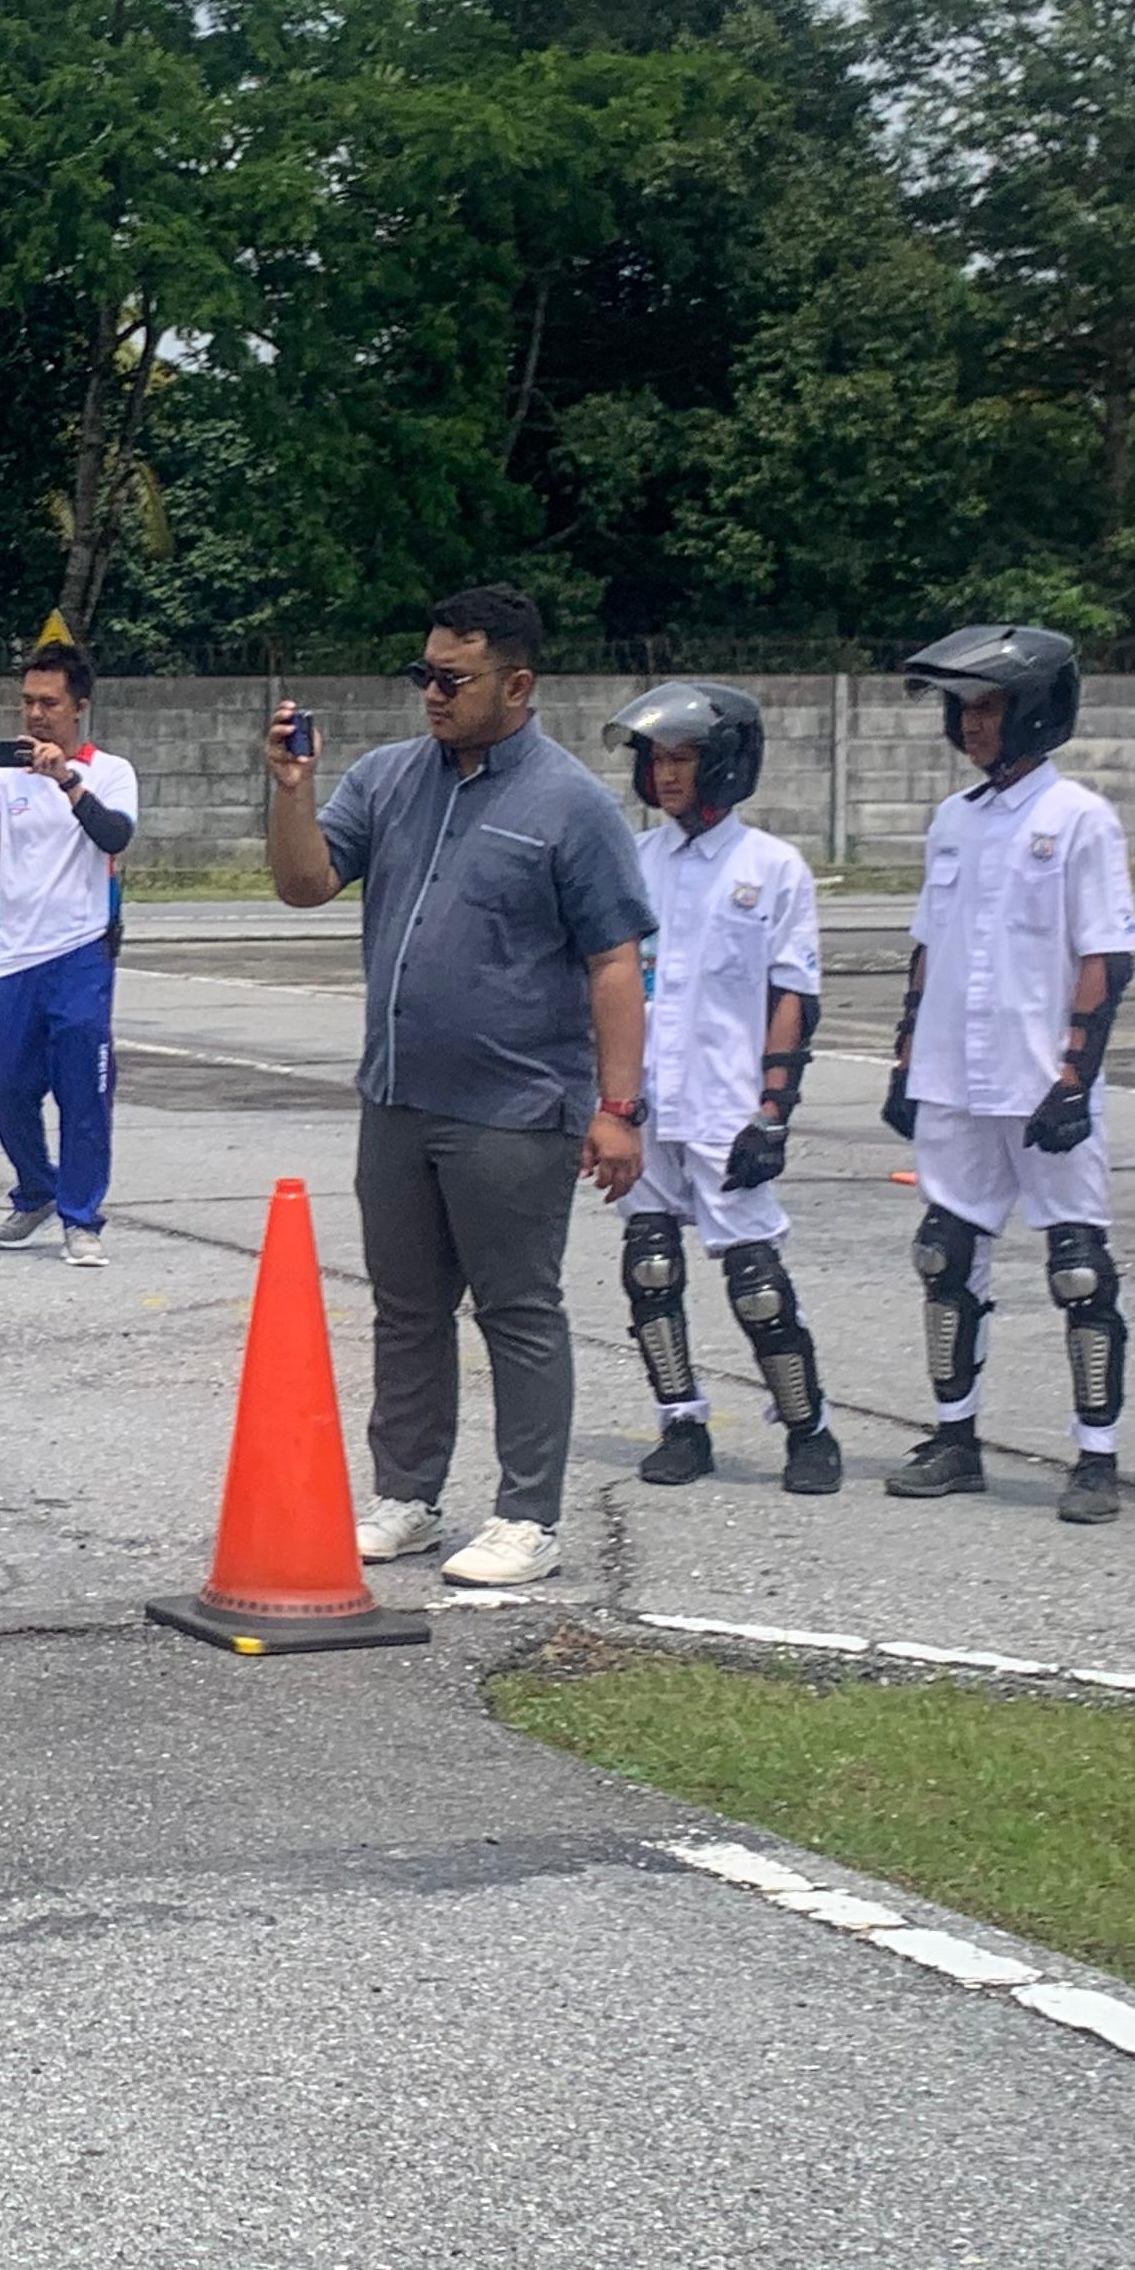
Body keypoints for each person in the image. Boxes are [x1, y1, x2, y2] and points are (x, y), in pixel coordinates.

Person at [265, 585, 654, 1589]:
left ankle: (528, 1516)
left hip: (516, 1108)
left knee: (518, 1310)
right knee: (406, 1308)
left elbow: (615, 962)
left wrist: (618, 1111)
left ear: (517, 685)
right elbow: (305, 885)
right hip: (399, 1095)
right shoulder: (393, 778)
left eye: (452, 678)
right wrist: (293, 791)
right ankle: (407, 1493)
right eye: (422, 675)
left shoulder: (569, 803)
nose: (431, 694)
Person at [879, 625, 1135, 1520]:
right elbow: (928, 946)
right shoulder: (953, 820)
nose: (972, 724)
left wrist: (1077, 1075)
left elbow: (1106, 955)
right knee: (945, 1256)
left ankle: (1097, 1456)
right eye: (963, 708)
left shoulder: (1079, 819)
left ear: (1034, 710)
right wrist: (906, 1057)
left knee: (1076, 1265)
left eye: (987, 705)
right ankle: (956, 1438)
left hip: (1040, 1083)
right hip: (956, 1077)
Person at [599, 680, 838, 1495]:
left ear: (726, 763)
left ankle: (808, 1431)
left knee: (758, 1285)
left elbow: (792, 994)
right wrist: (608, 1101)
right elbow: (609, 981)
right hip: (648, 1102)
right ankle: (681, 1422)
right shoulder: (634, 861)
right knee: (651, 1269)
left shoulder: (771, 867)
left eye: (684, 758)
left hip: (727, 1106)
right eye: (656, 759)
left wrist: (774, 1112)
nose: (666, 775)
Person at [0, 639, 137, 1267]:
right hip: (15, 958)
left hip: (81, 951)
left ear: (78, 707)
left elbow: (116, 835)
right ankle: (36, 1189)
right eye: (28, 701)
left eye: (49, 702)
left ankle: (81, 1218)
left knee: (84, 1094)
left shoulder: (110, 771)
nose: (35, 714)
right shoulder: (5, 777)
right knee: (6, 1089)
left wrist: (68, 782)